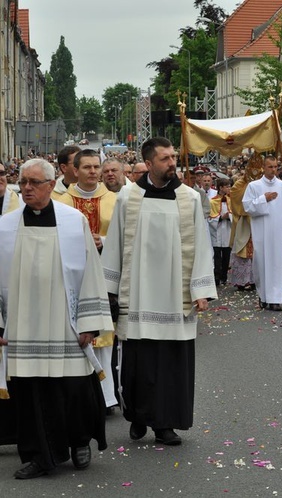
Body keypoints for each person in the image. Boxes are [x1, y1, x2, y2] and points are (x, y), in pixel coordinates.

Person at [0, 158, 112, 479]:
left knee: (73, 388)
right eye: (22, 183)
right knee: (31, 392)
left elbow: (90, 272)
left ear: (51, 185)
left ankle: (79, 441)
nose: (27, 188)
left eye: (34, 183)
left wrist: (90, 323)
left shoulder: (72, 221)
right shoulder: (5, 226)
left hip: (65, 320)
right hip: (23, 325)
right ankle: (39, 455)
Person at [101, 137, 217, 446]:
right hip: (139, 294)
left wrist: (200, 289)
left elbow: (202, 246)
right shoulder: (129, 197)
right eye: (165, 159)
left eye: (173, 158)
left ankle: (166, 424)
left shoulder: (189, 198)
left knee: (171, 364)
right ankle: (139, 416)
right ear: (149, 164)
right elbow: (115, 244)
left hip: (174, 295)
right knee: (141, 364)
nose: (172, 163)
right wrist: (110, 291)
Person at [58, 149, 119, 411]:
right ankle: (76, 397)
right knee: (71, 334)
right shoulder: (59, 200)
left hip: (104, 273)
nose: (93, 172)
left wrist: (103, 241)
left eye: (96, 167)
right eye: (87, 168)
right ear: (75, 170)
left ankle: (105, 397)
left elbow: (124, 235)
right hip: (70, 277)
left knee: (103, 334)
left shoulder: (116, 199)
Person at [243, 156, 282, 311]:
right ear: (263, 167)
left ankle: (276, 299)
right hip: (262, 232)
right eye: (270, 167)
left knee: (277, 264)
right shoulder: (254, 186)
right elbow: (248, 207)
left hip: (279, 232)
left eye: (276, 167)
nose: (273, 170)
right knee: (262, 263)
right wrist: (263, 199)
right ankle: (263, 296)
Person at [228, 161, 256, 291]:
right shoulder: (240, 184)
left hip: (258, 222)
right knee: (242, 252)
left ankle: (255, 280)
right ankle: (241, 281)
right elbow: (235, 197)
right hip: (245, 223)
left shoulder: (261, 184)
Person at [209, 178, 232, 286]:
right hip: (217, 231)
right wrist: (220, 217)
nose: (229, 188)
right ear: (221, 188)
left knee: (226, 256)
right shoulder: (213, 201)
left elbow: (234, 214)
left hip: (227, 229)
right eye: (226, 186)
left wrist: (229, 217)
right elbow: (210, 218)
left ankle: (224, 276)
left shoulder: (230, 200)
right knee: (217, 256)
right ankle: (216, 276)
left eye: (229, 186)